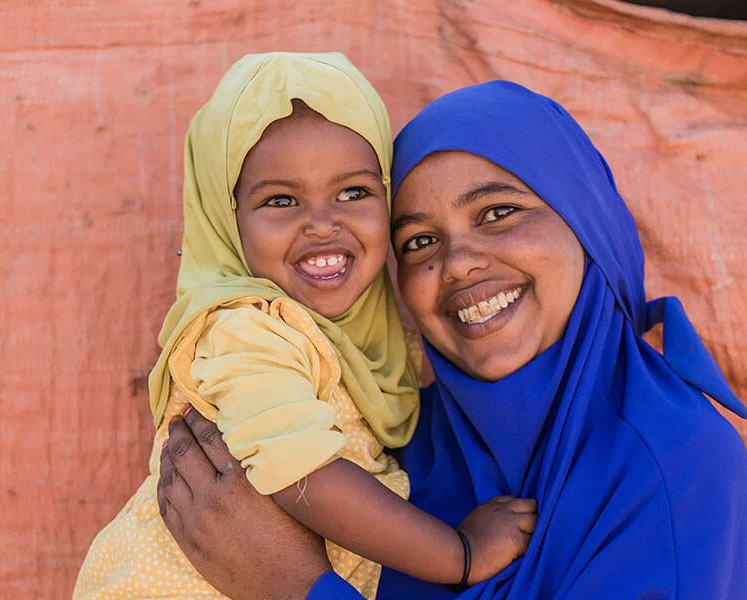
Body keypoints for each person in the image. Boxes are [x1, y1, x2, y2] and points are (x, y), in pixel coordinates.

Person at [157, 79, 747, 599]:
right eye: (419, 241)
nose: (458, 264)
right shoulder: (396, 443)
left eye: (498, 213)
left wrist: (293, 584)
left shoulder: (675, 467)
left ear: (589, 224)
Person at [73, 56, 536, 600]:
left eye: (353, 192)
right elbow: (304, 475)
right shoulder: (246, 331)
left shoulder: (374, 337)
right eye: (281, 200)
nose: (322, 223)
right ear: (227, 221)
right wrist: (460, 554)